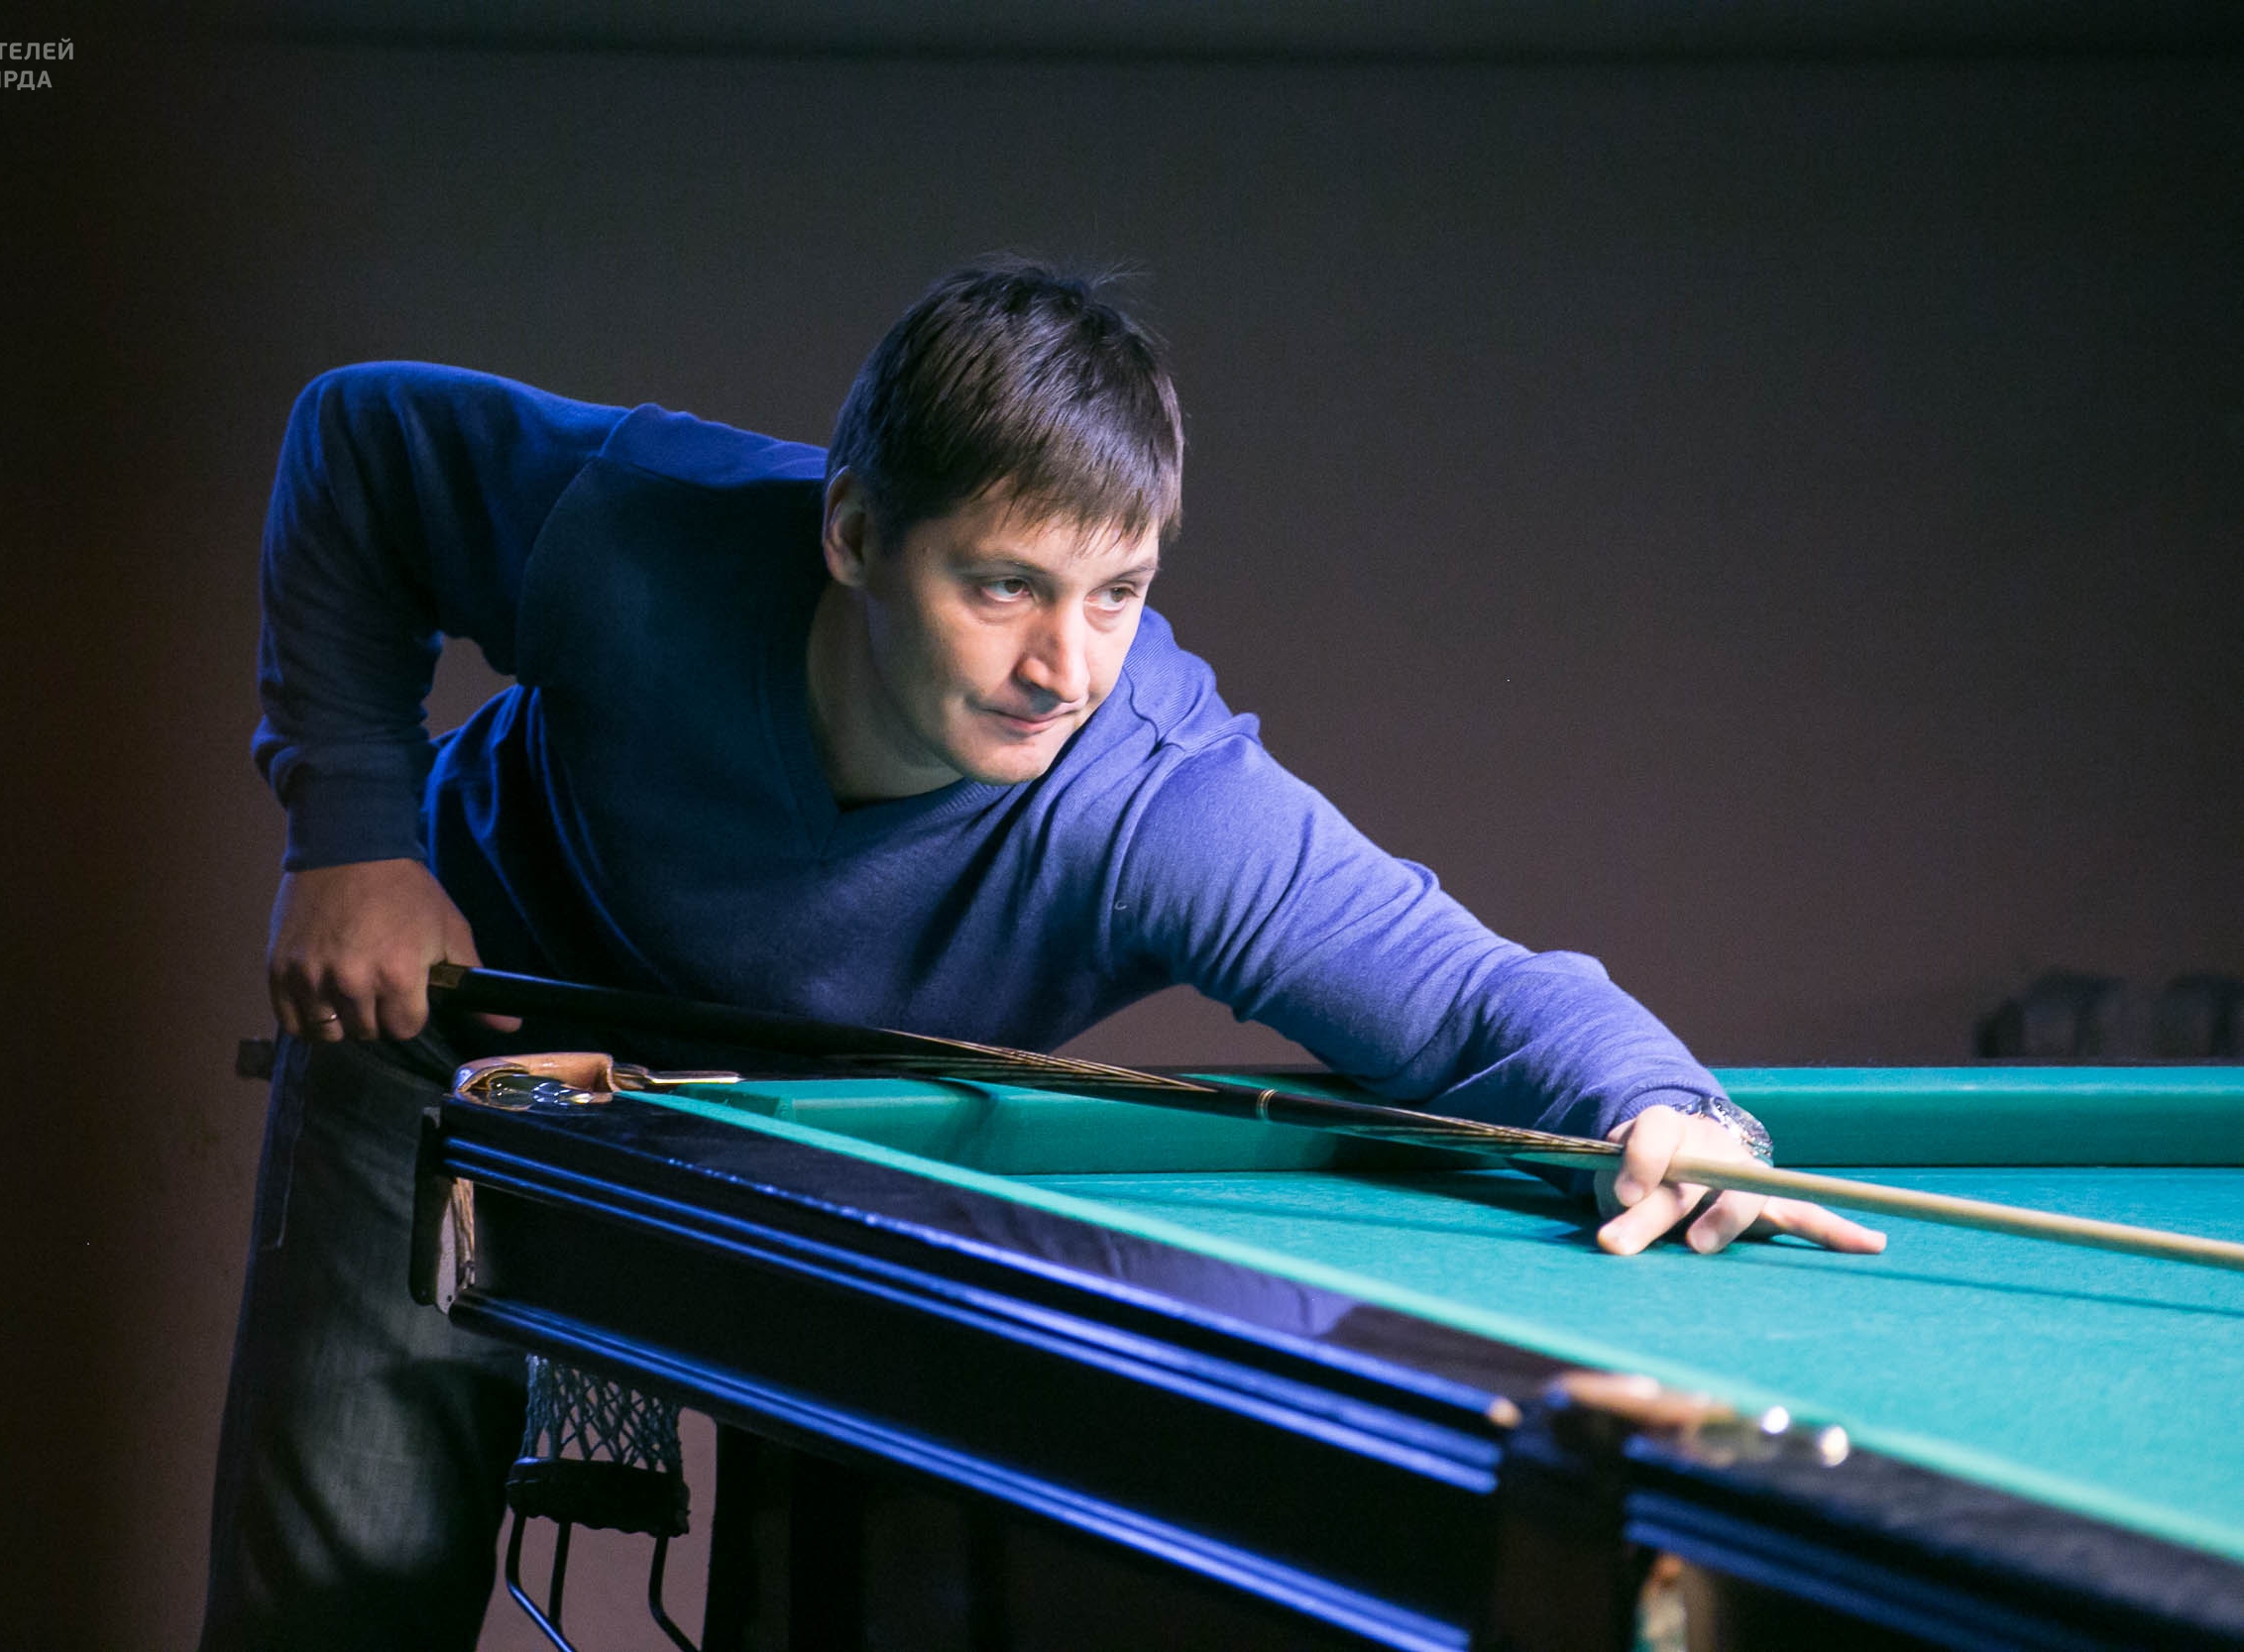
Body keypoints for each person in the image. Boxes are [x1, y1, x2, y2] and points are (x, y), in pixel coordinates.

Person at [201, 261, 1882, 1650]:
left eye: (1115, 593)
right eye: (1003, 586)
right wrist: (351, 837)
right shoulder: (641, 529)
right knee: (342, 1601)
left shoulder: (1155, 799)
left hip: (835, 1152)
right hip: (457, 1027)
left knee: (853, 1598)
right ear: (853, 534)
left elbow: (1462, 996)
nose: (1062, 669)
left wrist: (1663, 1104)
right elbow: (360, 440)